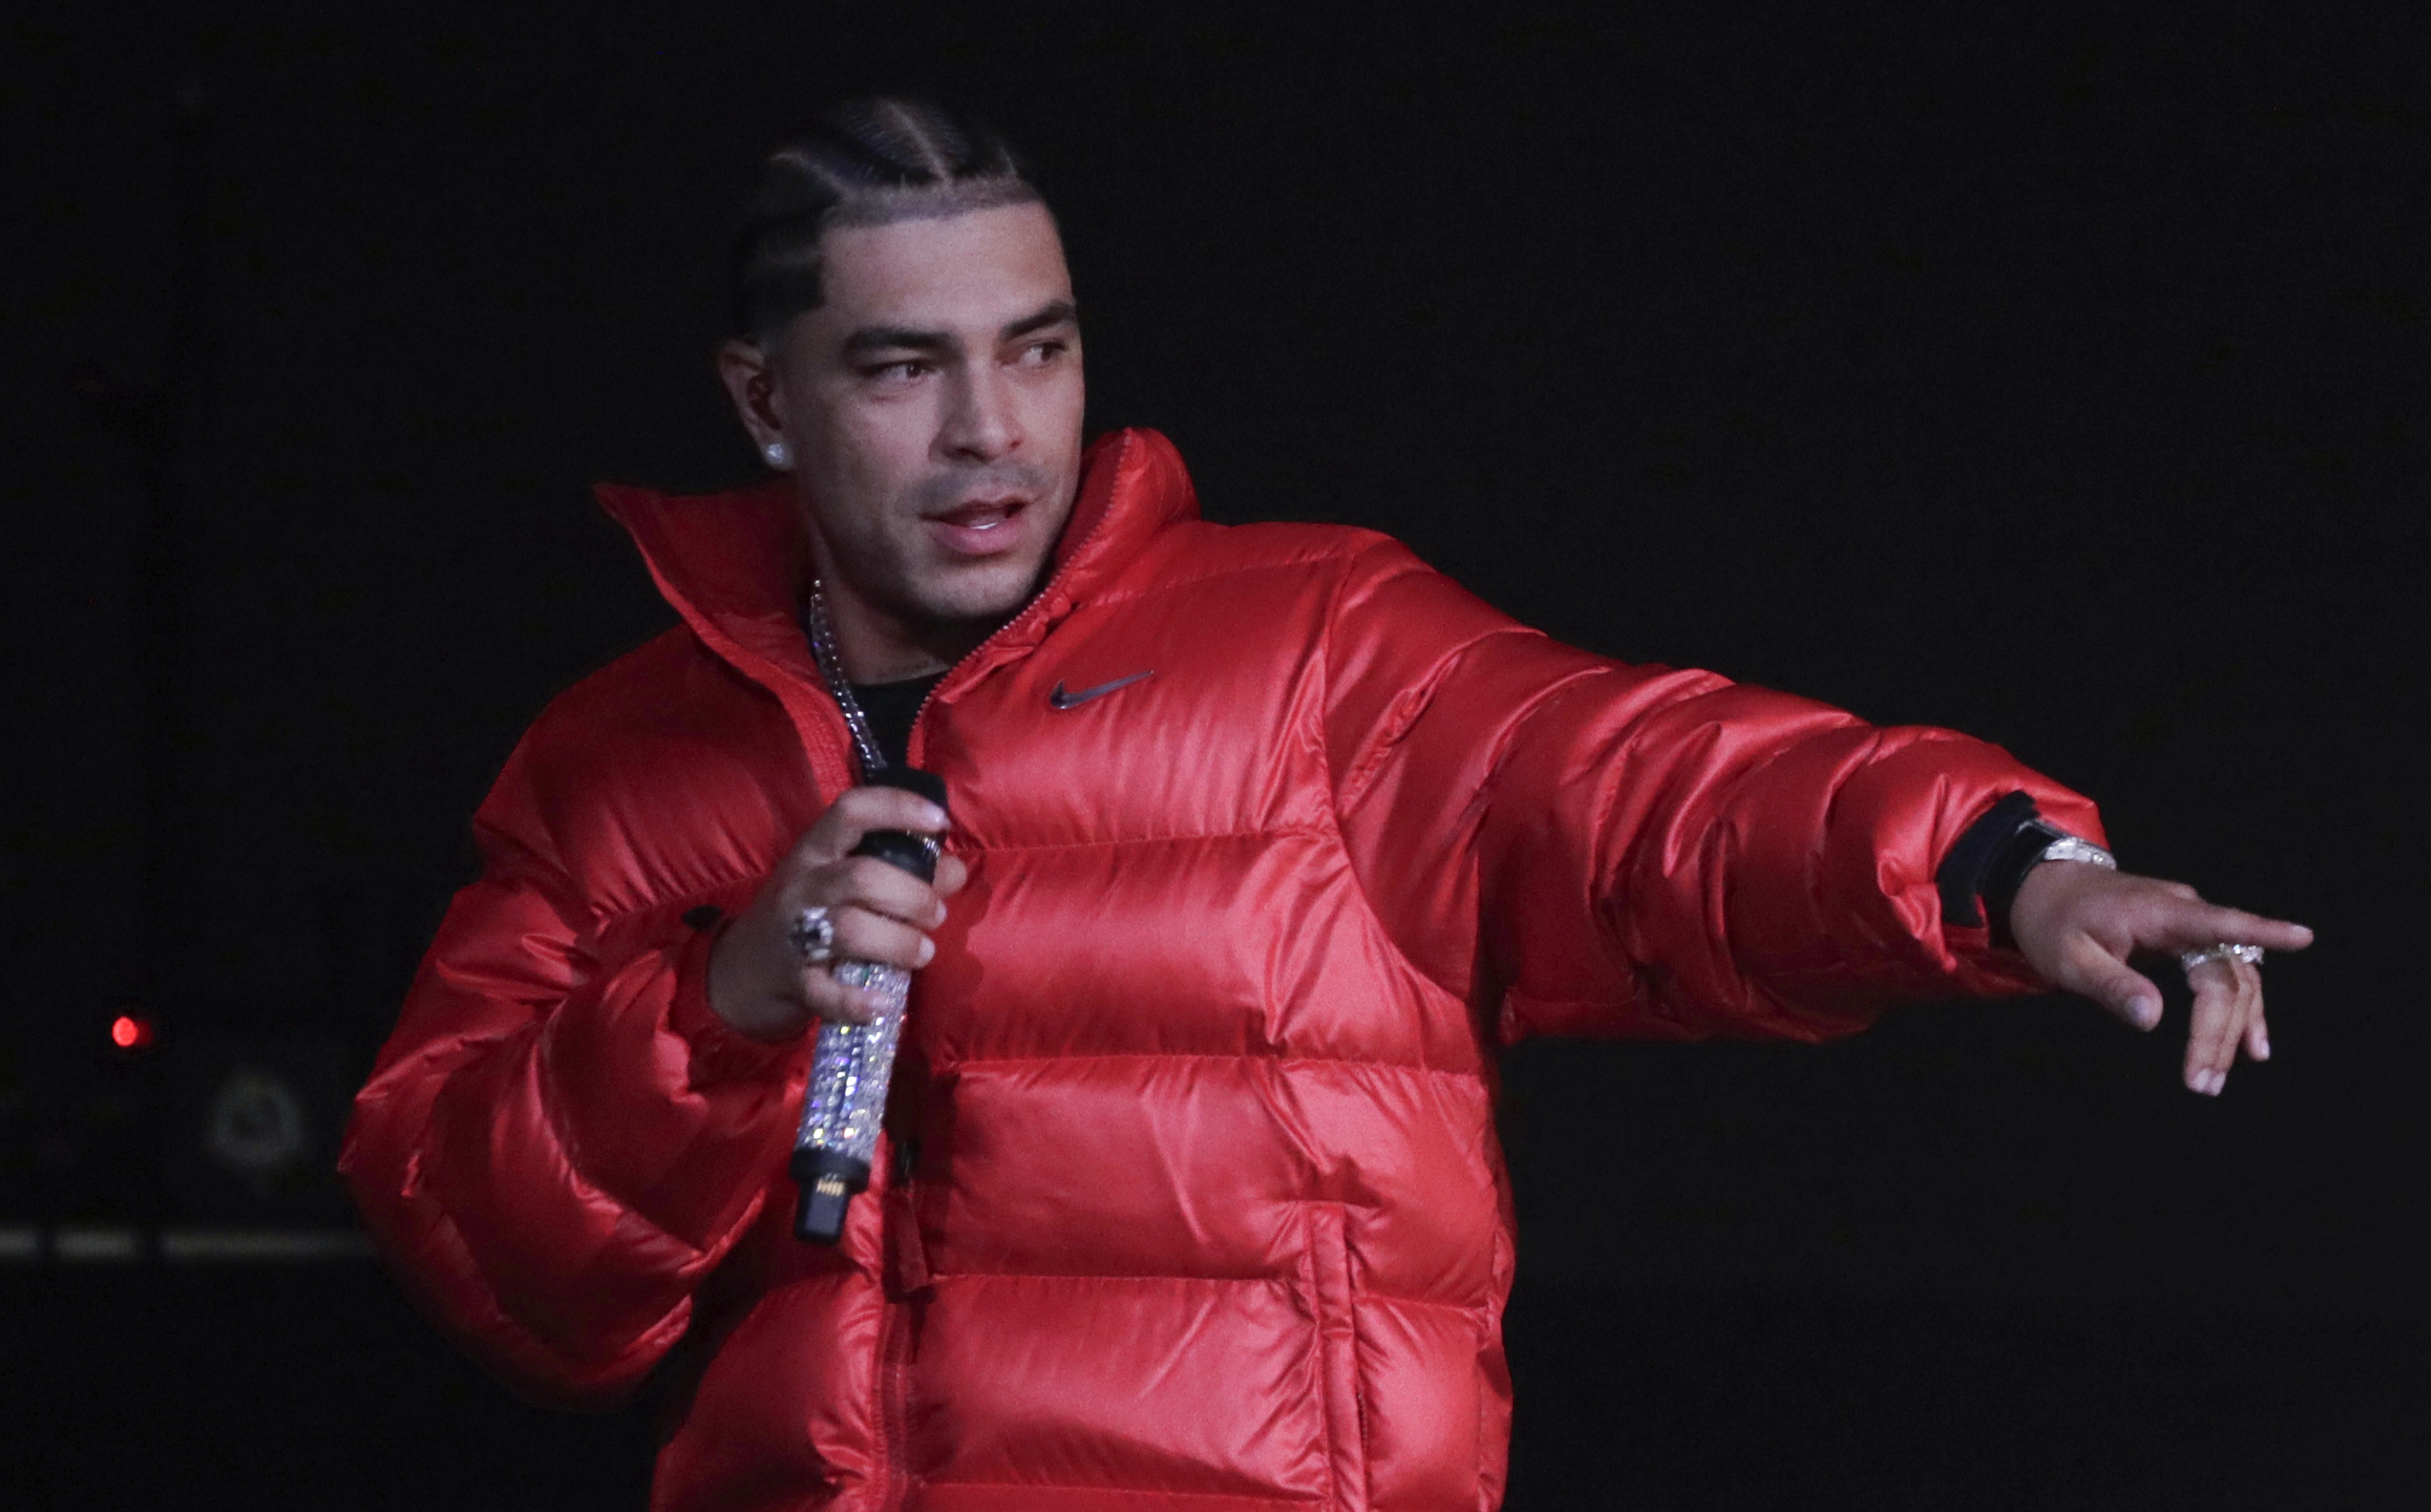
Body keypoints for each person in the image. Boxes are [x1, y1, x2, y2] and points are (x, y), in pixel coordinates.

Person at [340, 97, 2312, 1511]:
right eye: (900, 369)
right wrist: (719, 1005)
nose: (987, 433)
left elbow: (1652, 796)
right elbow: (487, 1264)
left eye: (1037, 351)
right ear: (763, 401)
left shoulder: (1315, 652)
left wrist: (2007, 870)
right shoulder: (621, 762)